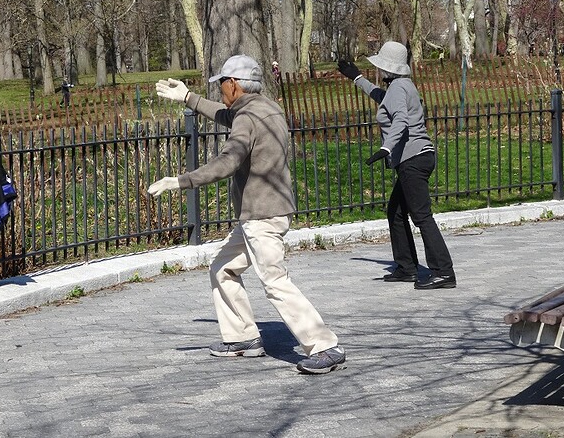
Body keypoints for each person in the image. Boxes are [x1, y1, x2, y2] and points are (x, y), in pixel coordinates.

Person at [150, 54, 345, 374]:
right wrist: (188, 97)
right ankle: (242, 337)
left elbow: (228, 161)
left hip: (261, 217)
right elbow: (227, 115)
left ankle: (325, 346)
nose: (220, 91)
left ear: (234, 84)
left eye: (222, 84)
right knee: (223, 268)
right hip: (267, 212)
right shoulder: (266, 108)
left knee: (275, 282)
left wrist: (181, 181)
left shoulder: (247, 119)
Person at [338, 41, 456, 290]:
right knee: (396, 212)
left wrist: (386, 147)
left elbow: (400, 118)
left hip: (413, 159)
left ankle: (444, 272)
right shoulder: (399, 87)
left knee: (422, 216)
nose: (378, 71)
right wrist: (357, 77)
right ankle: (407, 268)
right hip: (416, 157)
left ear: (387, 68)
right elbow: (382, 99)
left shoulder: (399, 88)